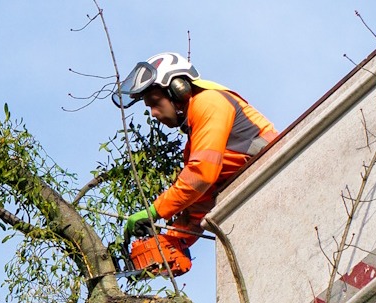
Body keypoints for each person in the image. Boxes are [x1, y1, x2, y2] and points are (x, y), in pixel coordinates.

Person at [113, 52, 279, 277]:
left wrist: (154, 210)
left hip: (278, 178)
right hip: (260, 193)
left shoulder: (209, 103)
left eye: (155, 103)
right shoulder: (195, 144)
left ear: (178, 89)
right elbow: (202, 204)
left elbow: (201, 175)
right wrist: (169, 243)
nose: (153, 113)